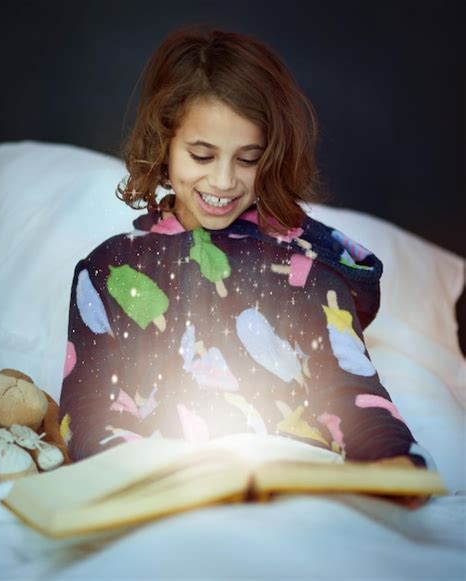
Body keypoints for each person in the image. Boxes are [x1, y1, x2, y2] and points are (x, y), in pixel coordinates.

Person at [58, 26, 435, 505]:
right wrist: (141, 481)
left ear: (271, 156)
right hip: (158, 501)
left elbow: (349, 390)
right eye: (201, 154)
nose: (223, 180)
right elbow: (90, 413)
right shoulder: (108, 270)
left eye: (248, 159)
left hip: (297, 500)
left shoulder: (304, 268)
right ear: (164, 143)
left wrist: (392, 460)